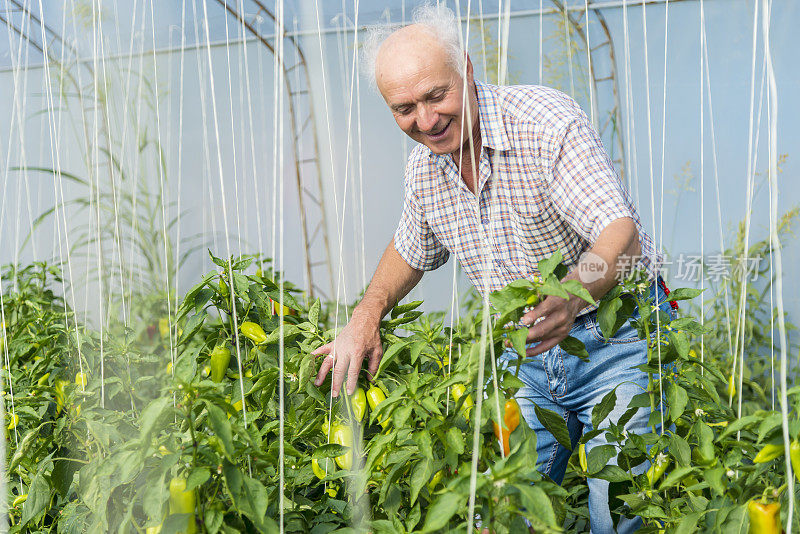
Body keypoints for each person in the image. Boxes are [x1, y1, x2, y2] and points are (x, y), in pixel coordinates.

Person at [312, 4, 676, 533]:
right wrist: (366, 316)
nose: (426, 120)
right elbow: (410, 248)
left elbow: (621, 235)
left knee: (616, 513)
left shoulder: (545, 124)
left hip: (615, 340)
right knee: (510, 512)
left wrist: (572, 294)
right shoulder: (425, 166)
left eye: (437, 96)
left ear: (465, 66)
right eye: (404, 108)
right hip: (523, 353)